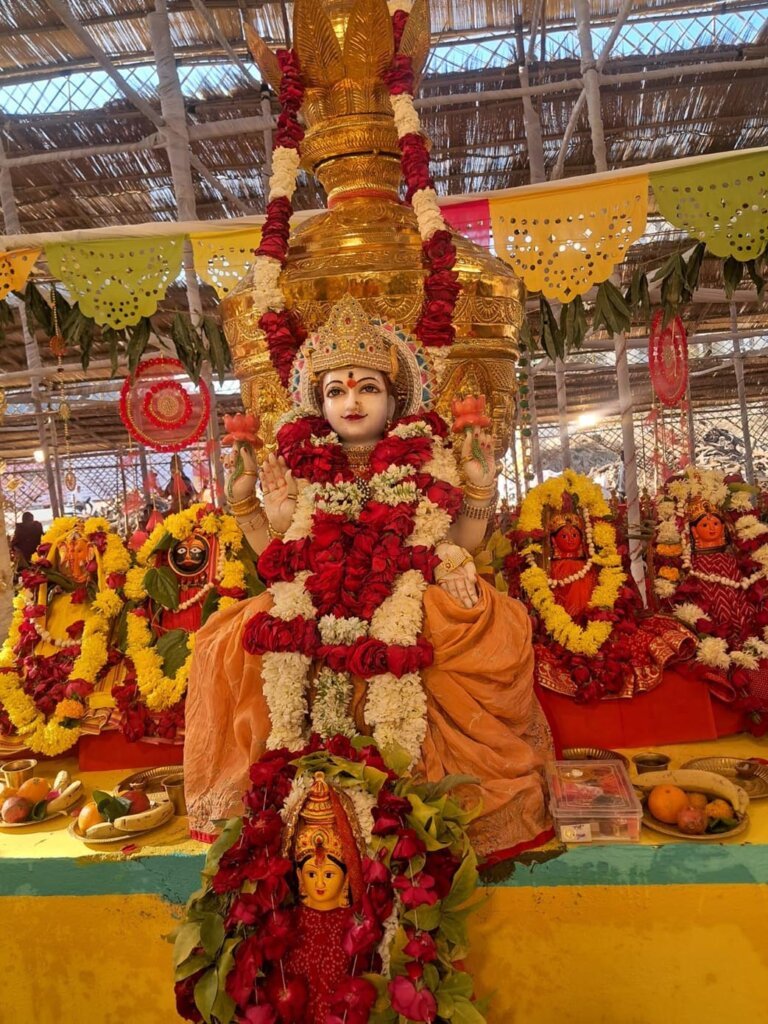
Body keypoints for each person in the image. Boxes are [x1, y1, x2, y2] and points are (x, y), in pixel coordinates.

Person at [184, 295, 552, 861]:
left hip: (407, 587)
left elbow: (460, 540)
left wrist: (478, 489)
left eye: (367, 389)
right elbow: (279, 560)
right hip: (317, 595)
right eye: (336, 391)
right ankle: (298, 790)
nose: (351, 402)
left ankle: (415, 790)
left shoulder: (427, 457)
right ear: (319, 402)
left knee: (477, 618)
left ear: (394, 398)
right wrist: (251, 508)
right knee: (229, 640)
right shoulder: (302, 463)